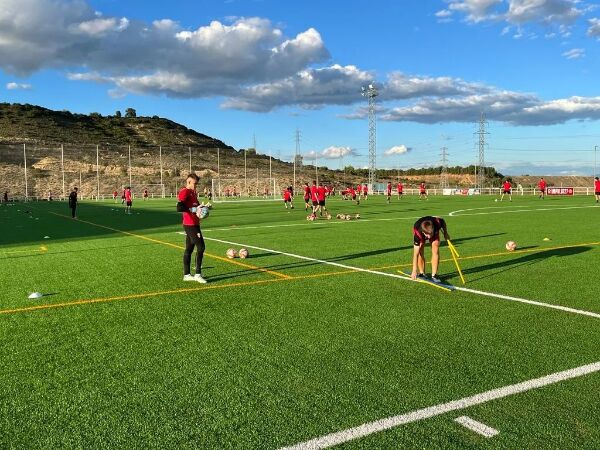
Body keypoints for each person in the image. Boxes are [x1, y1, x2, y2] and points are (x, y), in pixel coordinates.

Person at [178, 174, 207, 283]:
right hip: (190, 225)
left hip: (195, 223)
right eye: (194, 184)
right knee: (201, 247)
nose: (196, 186)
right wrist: (194, 210)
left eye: (197, 184)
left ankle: (186, 275)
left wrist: (204, 208)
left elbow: (197, 207)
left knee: (189, 249)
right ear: (189, 182)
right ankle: (198, 274)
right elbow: (179, 207)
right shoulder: (185, 191)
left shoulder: (193, 193)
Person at [411, 216, 450, 283]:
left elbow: (442, 221)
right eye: (427, 234)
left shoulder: (437, 223)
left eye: (430, 234)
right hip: (419, 230)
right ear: (423, 232)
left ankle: (434, 275)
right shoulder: (418, 232)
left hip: (434, 230)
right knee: (420, 249)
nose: (429, 237)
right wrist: (414, 270)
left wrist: (445, 233)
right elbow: (415, 254)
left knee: (435, 248)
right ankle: (422, 273)